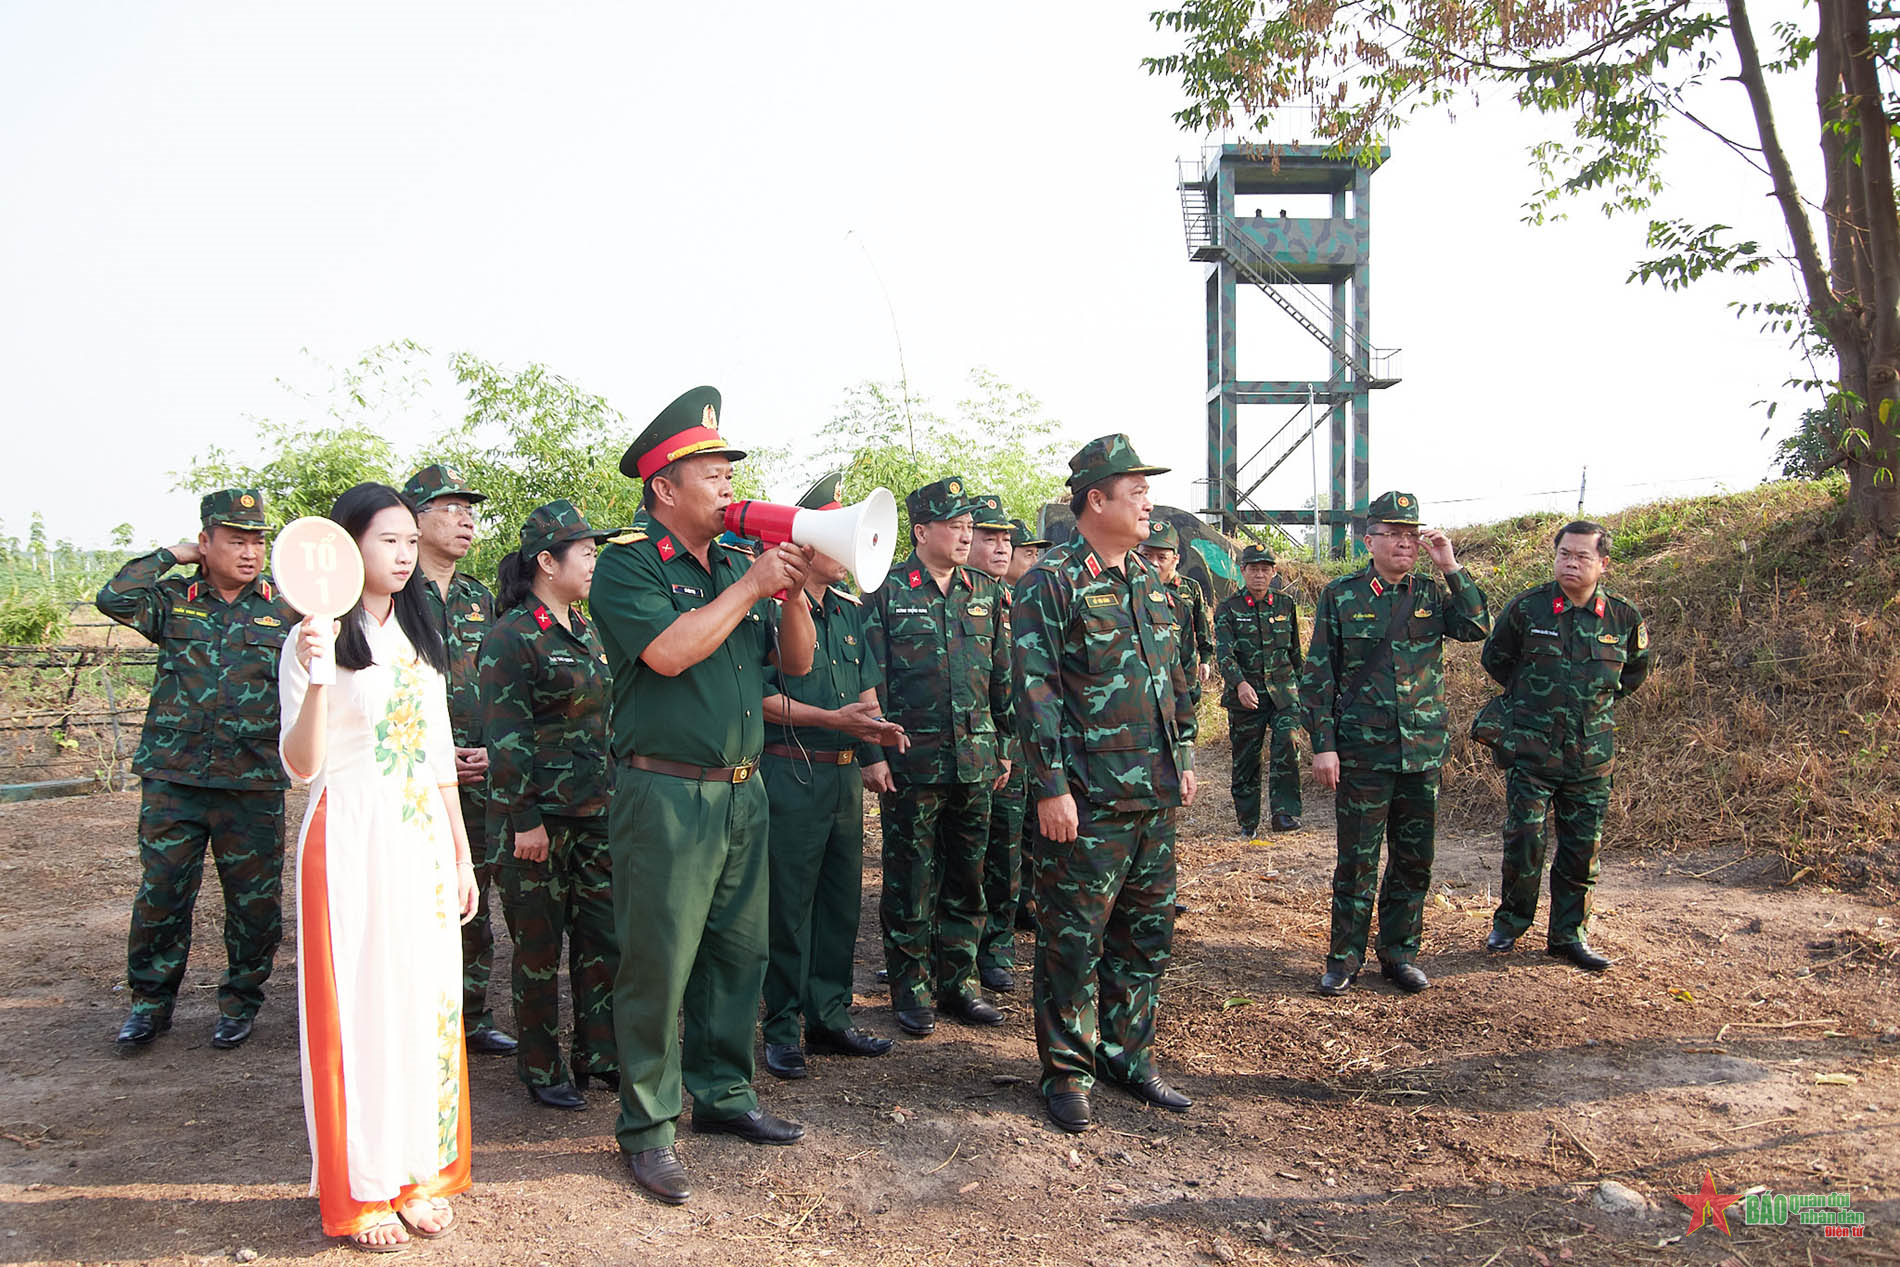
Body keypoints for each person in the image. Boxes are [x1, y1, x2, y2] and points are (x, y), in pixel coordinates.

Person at [589, 386, 817, 1206]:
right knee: (657, 960)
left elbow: (791, 665)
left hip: (741, 793)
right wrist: (753, 586)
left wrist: (788, 593)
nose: (728, 486)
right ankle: (648, 1127)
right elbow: (671, 654)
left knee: (736, 955)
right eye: (712, 472)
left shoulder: (732, 566)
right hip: (665, 795)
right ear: (663, 488)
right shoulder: (626, 564)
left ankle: (724, 1096)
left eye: (728, 472)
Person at [278, 482, 479, 1252]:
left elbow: (435, 760)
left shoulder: (421, 636)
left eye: (406, 541)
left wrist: (459, 854)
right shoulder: (311, 637)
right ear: (345, 548)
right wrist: (319, 675)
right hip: (350, 834)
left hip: (420, 835)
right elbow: (301, 766)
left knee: (421, 998)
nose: (400, 554)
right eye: (385, 540)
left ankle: (416, 1171)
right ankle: (362, 1185)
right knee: (358, 1011)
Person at [1012, 435, 1198, 1133]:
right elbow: (1035, 692)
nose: (1149, 503)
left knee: (1146, 937)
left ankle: (1128, 1054)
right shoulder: (1053, 581)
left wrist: (1182, 761)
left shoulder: (1150, 583)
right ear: (1097, 500)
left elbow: (1172, 682)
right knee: (1072, 940)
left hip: (1152, 797)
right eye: (1137, 491)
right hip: (1085, 802)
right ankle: (1067, 1069)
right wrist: (1051, 787)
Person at [96, 489, 297, 1051]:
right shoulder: (172, 600)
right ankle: (149, 1005)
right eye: (235, 539)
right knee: (161, 895)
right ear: (206, 542)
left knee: (254, 905)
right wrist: (174, 553)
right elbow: (112, 597)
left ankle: (240, 1002)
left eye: (257, 540)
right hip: (174, 779)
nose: (250, 551)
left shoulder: (285, 607)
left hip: (252, 781)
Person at [1298, 491, 1490, 997]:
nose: (1406, 544)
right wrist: (1324, 745)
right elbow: (1318, 675)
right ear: (1370, 540)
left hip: (1422, 752)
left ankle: (1400, 953)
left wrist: (1450, 566)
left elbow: (1475, 626)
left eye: (1412, 534)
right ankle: (1344, 958)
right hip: (1363, 753)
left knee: (1413, 859)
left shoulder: (1429, 593)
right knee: (1357, 861)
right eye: (1394, 534)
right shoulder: (1341, 595)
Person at [758, 473, 909, 1081]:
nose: (855, 553)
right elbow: (759, 697)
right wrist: (836, 720)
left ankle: (830, 1016)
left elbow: (865, 685)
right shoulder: (771, 609)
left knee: (840, 902)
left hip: (844, 776)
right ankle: (782, 1027)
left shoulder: (848, 612)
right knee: (787, 907)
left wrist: (875, 739)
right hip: (791, 772)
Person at [478, 500, 619, 1109]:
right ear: (546, 560)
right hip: (538, 821)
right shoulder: (511, 636)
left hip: (595, 811)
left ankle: (599, 1052)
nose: (593, 561)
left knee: (602, 938)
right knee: (538, 949)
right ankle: (541, 1067)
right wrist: (524, 820)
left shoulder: (584, 626)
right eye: (585, 552)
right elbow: (506, 739)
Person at [863, 476, 1012, 1037]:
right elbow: (866, 677)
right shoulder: (886, 588)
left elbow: (1002, 676)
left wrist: (1006, 747)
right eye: (955, 525)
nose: (966, 535)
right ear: (922, 530)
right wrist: (870, 751)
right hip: (910, 759)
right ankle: (912, 989)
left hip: (975, 759)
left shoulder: (987, 591)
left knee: (968, 878)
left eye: (969, 526)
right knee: (909, 878)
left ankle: (960, 984)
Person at [1481, 520, 1650, 971]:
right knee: (1524, 841)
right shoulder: (1529, 610)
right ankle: (1511, 923)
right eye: (1564, 554)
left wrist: (1585, 708)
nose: (1570, 563)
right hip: (1533, 754)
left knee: (1581, 850)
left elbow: (1632, 674)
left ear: (1603, 564)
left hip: (1590, 759)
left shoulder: (1622, 618)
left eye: (1582, 556)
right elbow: (1496, 659)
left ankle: (1568, 935)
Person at [402, 464, 516, 1059]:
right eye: (449, 508)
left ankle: (473, 1013)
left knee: (475, 893)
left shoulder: (477, 596)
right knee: (419, 892)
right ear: (414, 520)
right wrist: (432, 753)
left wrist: (494, 747)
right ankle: (420, 1015)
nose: (466, 519)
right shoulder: (391, 595)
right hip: (415, 772)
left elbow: (503, 681)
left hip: (481, 767)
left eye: (469, 509)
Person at [968, 494, 1027, 991]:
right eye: (990, 536)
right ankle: (945, 954)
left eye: (1007, 538)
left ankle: (997, 949)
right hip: (960, 749)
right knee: (958, 856)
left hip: (1013, 748)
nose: (1001, 546)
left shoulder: (1021, 599)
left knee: (1005, 851)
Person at [1214, 543, 1304, 835]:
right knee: (1246, 759)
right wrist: (1239, 684)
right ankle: (1248, 821)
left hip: (1283, 694)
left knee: (1287, 744)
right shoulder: (1229, 609)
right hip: (1246, 696)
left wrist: (1306, 691)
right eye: (1253, 569)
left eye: (1265, 569)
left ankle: (1285, 814)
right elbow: (1224, 655)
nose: (1259, 575)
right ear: (1243, 572)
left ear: (1274, 572)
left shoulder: (1285, 604)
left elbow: (1294, 652)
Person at [1005, 517, 1052, 932]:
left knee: (1030, 826)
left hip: (1029, 737)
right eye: (1028, 552)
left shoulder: (1031, 599)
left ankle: (1028, 902)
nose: (1033, 559)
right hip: (998, 742)